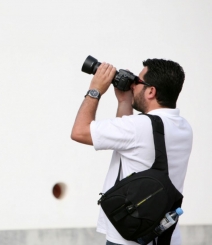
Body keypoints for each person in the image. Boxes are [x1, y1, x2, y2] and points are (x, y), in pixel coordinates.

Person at [71, 59, 192, 245]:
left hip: (129, 237)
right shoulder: (183, 127)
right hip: (165, 235)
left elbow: (79, 132)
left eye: (138, 81)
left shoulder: (138, 127)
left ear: (151, 91)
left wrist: (95, 90)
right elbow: (127, 144)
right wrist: (124, 101)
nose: (133, 85)